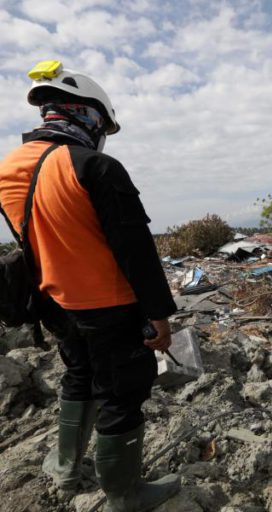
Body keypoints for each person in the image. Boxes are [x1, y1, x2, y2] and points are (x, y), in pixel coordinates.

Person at [0, 61, 180, 511]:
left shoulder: (11, 169)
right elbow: (136, 250)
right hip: (109, 308)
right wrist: (159, 314)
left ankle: (64, 469)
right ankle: (125, 494)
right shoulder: (95, 166)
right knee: (121, 393)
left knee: (79, 379)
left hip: (56, 305)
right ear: (90, 114)